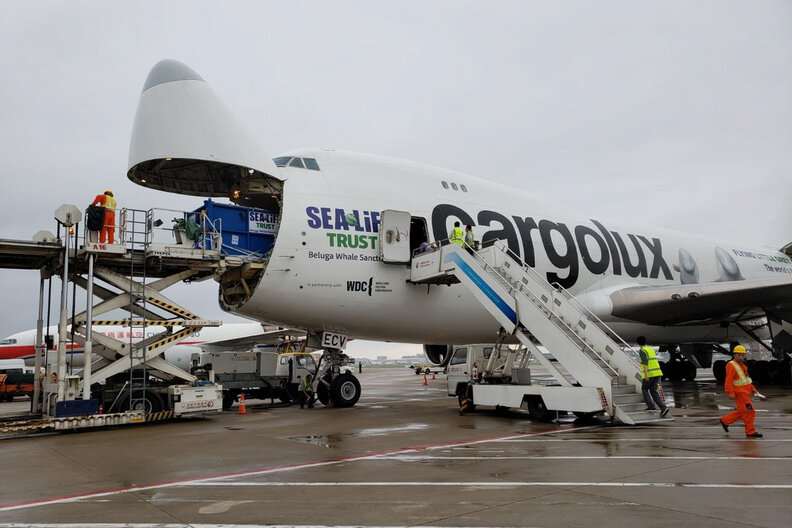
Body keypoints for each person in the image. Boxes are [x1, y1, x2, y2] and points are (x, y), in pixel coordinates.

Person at [720, 345, 764, 438]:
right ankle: (750, 431)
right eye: (738, 355)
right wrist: (730, 392)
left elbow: (747, 381)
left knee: (742, 411)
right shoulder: (731, 365)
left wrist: (754, 390)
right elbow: (729, 380)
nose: (740, 357)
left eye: (742, 355)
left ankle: (725, 421)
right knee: (750, 411)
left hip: (745, 393)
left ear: (744, 356)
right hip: (740, 394)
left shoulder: (744, 366)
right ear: (734, 355)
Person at [637, 336, 669, 417]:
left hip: (650, 374)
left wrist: (646, 375)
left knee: (644, 389)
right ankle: (663, 407)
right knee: (653, 391)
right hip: (657, 372)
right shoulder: (650, 349)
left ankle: (651, 406)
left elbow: (645, 363)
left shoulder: (642, 350)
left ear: (638, 343)